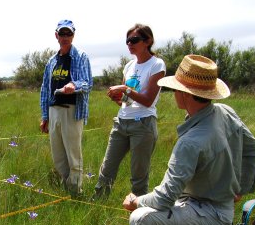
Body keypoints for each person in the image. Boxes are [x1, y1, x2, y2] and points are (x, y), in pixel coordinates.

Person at [123, 55, 255, 225]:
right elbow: (253, 149)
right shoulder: (225, 111)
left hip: (206, 213)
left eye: (176, 89)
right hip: (217, 210)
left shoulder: (191, 141)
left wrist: (137, 201)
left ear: (184, 94)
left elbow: (165, 198)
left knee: (141, 220)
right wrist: (240, 189)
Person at [94, 24, 166, 199]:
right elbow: (128, 101)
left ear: (148, 41)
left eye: (134, 40)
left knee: (138, 174)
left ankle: (138, 213)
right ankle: (97, 204)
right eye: (127, 41)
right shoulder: (129, 66)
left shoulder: (157, 65)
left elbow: (148, 101)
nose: (129, 44)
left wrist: (125, 89)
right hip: (122, 122)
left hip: (143, 124)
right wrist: (118, 98)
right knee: (107, 168)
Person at [40, 19, 93, 196]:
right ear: (56, 35)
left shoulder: (80, 56)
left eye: (68, 33)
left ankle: (76, 192)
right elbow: (45, 90)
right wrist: (45, 116)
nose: (65, 37)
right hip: (54, 111)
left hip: (71, 112)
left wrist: (74, 86)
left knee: (73, 156)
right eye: (62, 33)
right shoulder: (52, 61)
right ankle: (66, 188)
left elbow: (87, 83)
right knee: (58, 156)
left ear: (73, 35)